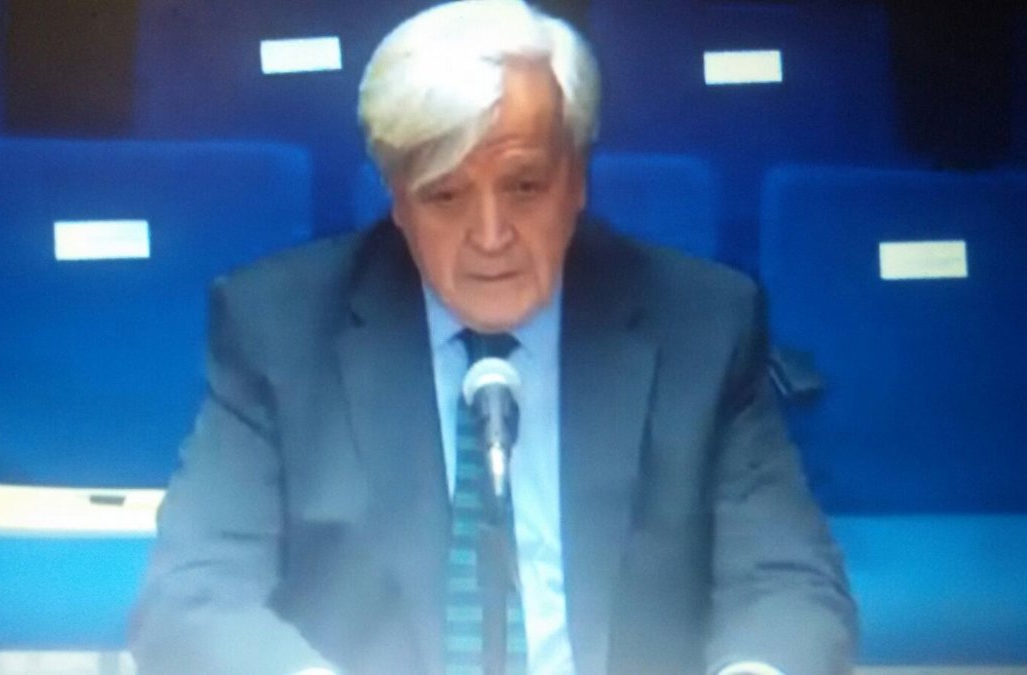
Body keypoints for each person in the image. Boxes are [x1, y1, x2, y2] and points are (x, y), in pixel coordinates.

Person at [130, 1, 857, 673]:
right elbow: (192, 594)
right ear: (398, 199)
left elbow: (787, 584)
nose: (489, 236)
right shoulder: (280, 329)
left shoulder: (702, 324)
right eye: (445, 195)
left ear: (577, 179)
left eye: (524, 187)